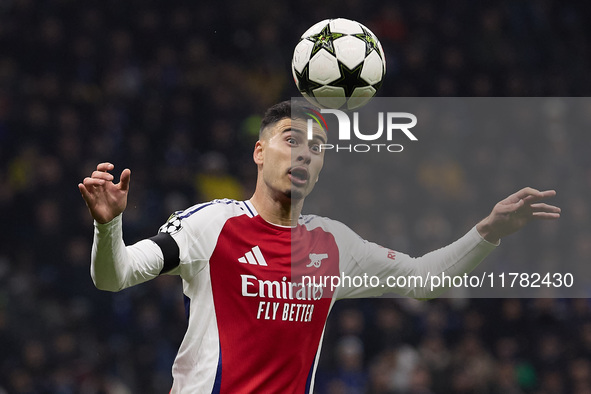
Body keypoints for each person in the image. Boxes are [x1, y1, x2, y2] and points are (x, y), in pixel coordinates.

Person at [78, 100, 560, 393]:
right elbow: (114, 275)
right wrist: (108, 229)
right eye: (292, 140)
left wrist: (489, 230)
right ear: (259, 152)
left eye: (317, 147)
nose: (305, 153)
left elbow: (424, 280)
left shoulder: (332, 244)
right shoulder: (211, 224)